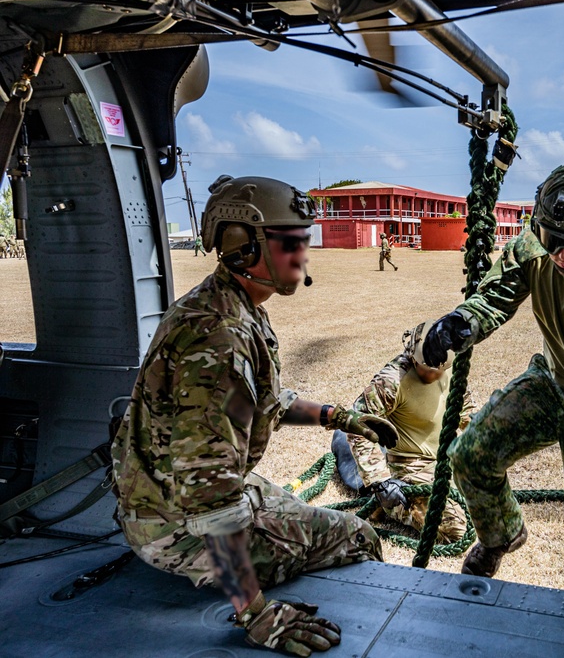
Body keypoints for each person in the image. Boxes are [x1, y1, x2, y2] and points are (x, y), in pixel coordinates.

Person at [111, 175, 400, 655]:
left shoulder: (230, 304)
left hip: (167, 499)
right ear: (242, 247)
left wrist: (339, 417)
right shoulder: (220, 337)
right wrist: (258, 616)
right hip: (178, 526)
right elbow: (210, 494)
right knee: (358, 537)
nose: (304, 254)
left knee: (306, 516)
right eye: (292, 242)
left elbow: (263, 399)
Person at [422, 162, 564, 597]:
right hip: (550, 384)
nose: (563, 256)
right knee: (471, 455)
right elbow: (495, 294)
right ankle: (501, 536)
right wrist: (461, 323)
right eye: (553, 241)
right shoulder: (534, 244)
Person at [335, 318, 474, 544]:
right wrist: (381, 483)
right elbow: (359, 425)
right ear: (413, 355)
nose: (435, 376)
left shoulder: (450, 367)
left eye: (441, 370)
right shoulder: (392, 380)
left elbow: (465, 408)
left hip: (447, 458)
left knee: (489, 508)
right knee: (454, 529)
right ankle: (393, 506)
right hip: (411, 468)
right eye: (427, 369)